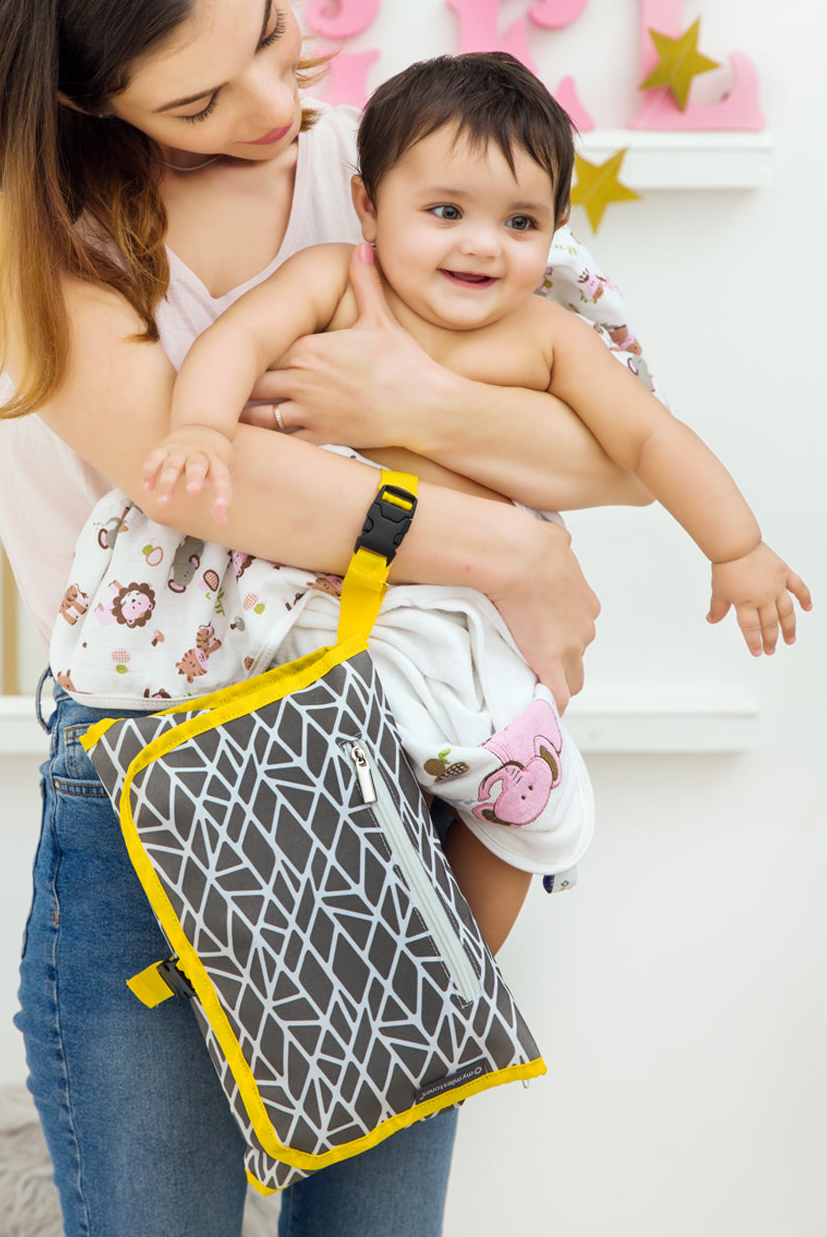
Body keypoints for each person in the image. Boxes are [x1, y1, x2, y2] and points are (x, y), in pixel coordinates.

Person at [0, 0, 659, 1237]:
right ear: (80, 96)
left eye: (273, 31)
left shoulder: (380, 167)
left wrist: (410, 400)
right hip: (157, 778)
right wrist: (507, 547)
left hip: (394, 753)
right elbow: (184, 474)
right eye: (198, 96)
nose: (275, 101)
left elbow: (625, 446)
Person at [137, 51, 809, 944]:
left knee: (525, 800)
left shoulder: (549, 337)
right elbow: (237, 341)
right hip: (331, 599)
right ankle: (304, 948)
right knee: (320, 785)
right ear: (370, 206)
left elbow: (650, 440)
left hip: (486, 622)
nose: (483, 244)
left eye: (520, 221)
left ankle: (454, 982)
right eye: (446, 212)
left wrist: (737, 548)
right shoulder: (336, 281)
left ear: (557, 228)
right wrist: (200, 428)